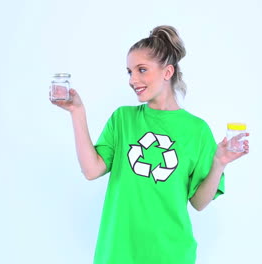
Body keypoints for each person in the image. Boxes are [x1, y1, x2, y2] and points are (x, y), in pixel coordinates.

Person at [51, 25, 249, 264]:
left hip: (170, 254)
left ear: (167, 72)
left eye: (142, 70)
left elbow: (198, 203)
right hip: (119, 252)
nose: (133, 80)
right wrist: (77, 112)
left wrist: (219, 164)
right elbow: (91, 170)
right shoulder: (122, 119)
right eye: (129, 72)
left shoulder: (197, 130)